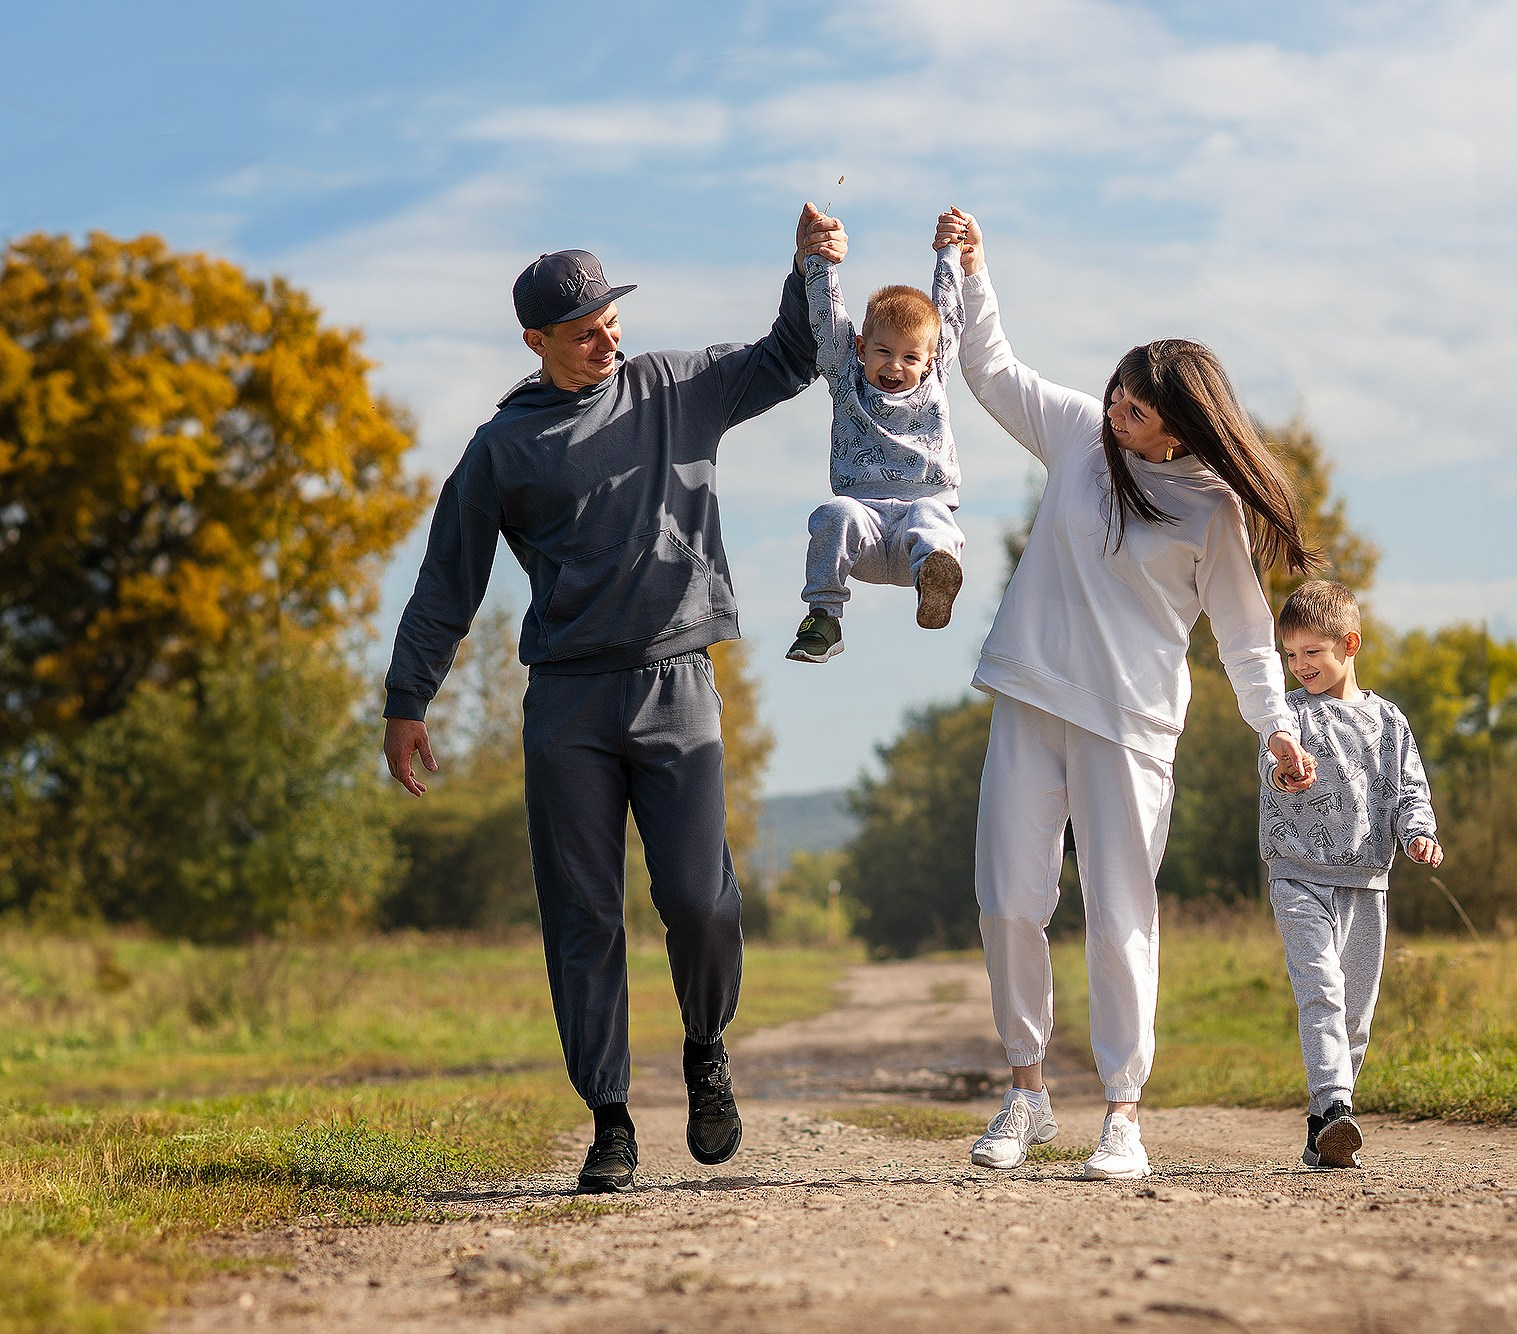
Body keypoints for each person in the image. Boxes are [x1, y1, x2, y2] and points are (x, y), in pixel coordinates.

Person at [380, 206, 846, 1193]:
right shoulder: (499, 451)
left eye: (609, 315)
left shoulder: (677, 387)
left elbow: (790, 357)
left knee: (698, 900)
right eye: (584, 326)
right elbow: (446, 580)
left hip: (677, 681)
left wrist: (807, 268)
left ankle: (704, 1045)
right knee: (583, 916)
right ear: (536, 341)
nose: (608, 334)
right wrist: (407, 695)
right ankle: (609, 1119)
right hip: (567, 706)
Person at [935, 207, 1321, 1181]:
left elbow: (1241, 636)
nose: (1115, 409)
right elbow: (990, 372)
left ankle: (1121, 1112)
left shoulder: (1211, 508)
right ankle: (1024, 1091)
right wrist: (973, 273)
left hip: (1131, 725)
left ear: (1180, 423)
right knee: (1007, 901)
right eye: (1115, 392)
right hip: (1030, 695)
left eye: (1136, 406)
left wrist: (1274, 725)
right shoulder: (1074, 433)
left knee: (1117, 916)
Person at [1259, 579, 1443, 1169]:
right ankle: (1334, 1103)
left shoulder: (1389, 722)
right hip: (1298, 876)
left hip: (1366, 882)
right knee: (1322, 992)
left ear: (1350, 645)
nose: (1300, 666)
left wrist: (1418, 833)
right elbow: (1272, 768)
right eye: (1290, 655)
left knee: (1356, 1013)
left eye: (1313, 652)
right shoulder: (1286, 714)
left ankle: (1326, 1125)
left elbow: (1410, 787)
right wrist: (1286, 769)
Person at [785, 232, 967, 663]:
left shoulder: (937, 377)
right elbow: (827, 318)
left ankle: (935, 579)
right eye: (883, 352)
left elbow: (950, 314)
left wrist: (950, 251)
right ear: (862, 348)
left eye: (909, 357)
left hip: (912, 541)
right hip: (862, 530)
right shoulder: (846, 375)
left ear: (931, 358)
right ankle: (824, 619)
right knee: (834, 513)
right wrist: (819, 261)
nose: (895, 366)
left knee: (931, 513)